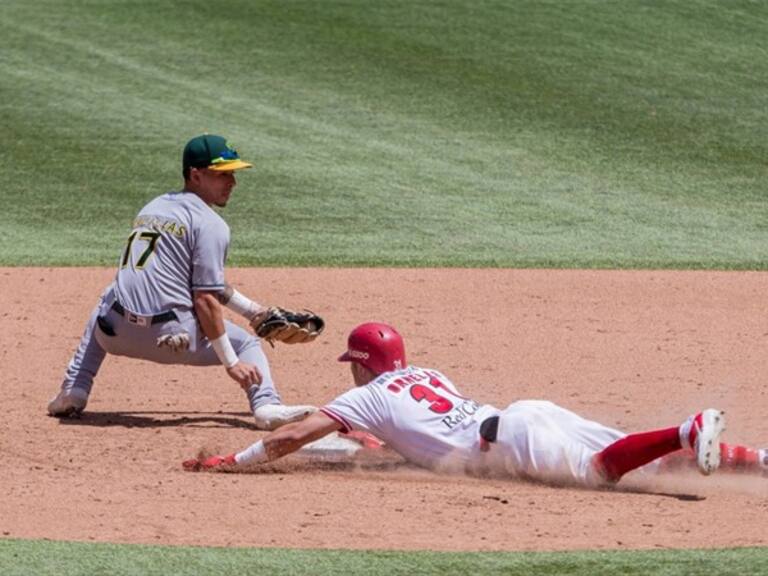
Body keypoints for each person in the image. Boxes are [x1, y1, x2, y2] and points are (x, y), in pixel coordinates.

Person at [184, 322, 768, 485]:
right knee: (638, 458)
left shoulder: (364, 396)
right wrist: (373, 439)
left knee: (601, 471)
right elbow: (415, 427)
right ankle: (761, 461)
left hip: (513, 438)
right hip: (526, 414)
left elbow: (291, 438)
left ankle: (687, 428)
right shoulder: (427, 374)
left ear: (361, 362)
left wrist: (233, 462)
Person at [48, 134, 316, 430]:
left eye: (233, 174)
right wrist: (231, 363)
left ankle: (75, 387)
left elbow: (197, 281)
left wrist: (254, 311)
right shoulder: (212, 225)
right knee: (248, 345)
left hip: (114, 334)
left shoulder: (152, 207)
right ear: (196, 175)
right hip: (174, 340)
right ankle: (267, 405)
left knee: (108, 297)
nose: (232, 183)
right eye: (222, 175)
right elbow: (204, 299)